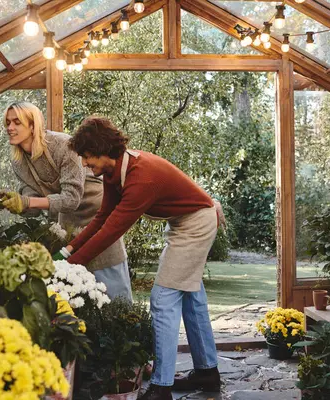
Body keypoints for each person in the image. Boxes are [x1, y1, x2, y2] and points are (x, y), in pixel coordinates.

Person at [60, 116, 222, 400]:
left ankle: (161, 387)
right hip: (183, 221)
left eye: (87, 157)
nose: (85, 164)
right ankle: (208, 373)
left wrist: (68, 267)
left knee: (163, 299)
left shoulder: (141, 177)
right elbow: (102, 218)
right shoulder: (114, 172)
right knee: (191, 300)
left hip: (196, 223)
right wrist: (67, 251)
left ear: (102, 150)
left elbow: (111, 231)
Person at [0, 102, 132, 302]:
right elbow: (33, 205)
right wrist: (15, 203)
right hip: (66, 222)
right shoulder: (18, 161)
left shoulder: (63, 146)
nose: (10, 127)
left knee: (114, 292)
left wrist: (27, 201)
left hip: (96, 213)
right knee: (76, 291)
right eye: (7, 122)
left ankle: (128, 328)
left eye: (17, 122)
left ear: (33, 125)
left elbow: (71, 198)